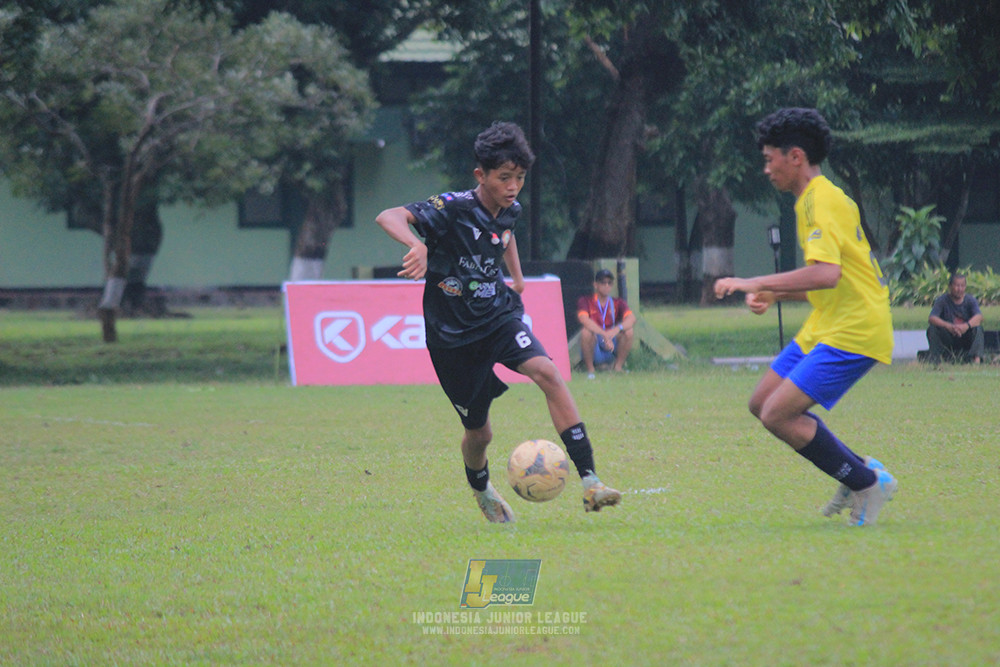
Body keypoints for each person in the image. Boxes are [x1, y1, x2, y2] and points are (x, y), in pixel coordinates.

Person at [375, 121, 621, 523]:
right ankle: (481, 488)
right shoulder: (451, 208)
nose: (513, 186)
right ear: (481, 175)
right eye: (504, 178)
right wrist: (416, 244)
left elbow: (504, 234)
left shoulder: (511, 209)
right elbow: (388, 216)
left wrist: (518, 277)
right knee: (480, 433)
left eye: (520, 178)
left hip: (498, 316)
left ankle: (591, 480)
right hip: (452, 337)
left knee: (548, 372)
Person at [713, 107, 898, 527]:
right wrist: (772, 293)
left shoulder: (822, 200)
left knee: (779, 413)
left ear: (794, 156)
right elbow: (831, 277)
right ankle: (859, 472)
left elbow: (826, 275)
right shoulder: (810, 200)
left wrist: (752, 280)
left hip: (855, 330)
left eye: (769, 159)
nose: (766, 169)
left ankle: (866, 482)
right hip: (826, 325)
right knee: (761, 403)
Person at [577, 269, 636, 377]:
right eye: (603, 283)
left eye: (609, 283)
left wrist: (615, 330)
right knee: (586, 332)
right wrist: (604, 334)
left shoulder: (617, 302)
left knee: (629, 331)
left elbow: (631, 318)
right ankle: (591, 370)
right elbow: (584, 319)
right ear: (595, 285)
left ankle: (618, 367)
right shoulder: (586, 301)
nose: (606, 286)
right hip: (596, 339)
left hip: (611, 340)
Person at [927, 273, 984, 364]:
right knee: (933, 328)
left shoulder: (970, 300)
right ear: (950, 286)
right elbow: (932, 318)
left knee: (978, 328)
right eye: (957, 286)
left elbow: (979, 317)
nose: (959, 289)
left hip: (965, 337)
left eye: (962, 286)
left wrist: (965, 326)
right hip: (949, 336)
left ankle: (976, 359)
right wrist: (948, 326)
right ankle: (936, 359)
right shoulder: (942, 300)